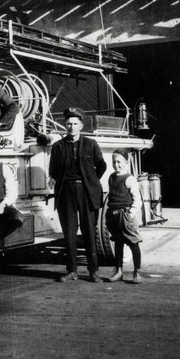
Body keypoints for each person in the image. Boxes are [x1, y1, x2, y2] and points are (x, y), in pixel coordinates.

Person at [49, 107, 107, 282]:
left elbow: (101, 165)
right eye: (68, 124)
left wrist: (91, 181)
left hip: (86, 192)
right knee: (70, 232)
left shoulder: (91, 144)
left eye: (75, 124)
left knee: (89, 231)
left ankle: (93, 271)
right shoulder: (58, 147)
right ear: (65, 125)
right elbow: (53, 171)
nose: (71, 127)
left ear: (81, 125)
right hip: (66, 192)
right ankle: (72, 270)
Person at [106, 148, 143, 284]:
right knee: (118, 243)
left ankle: (137, 273)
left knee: (133, 243)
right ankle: (118, 272)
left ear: (126, 162)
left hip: (125, 215)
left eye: (119, 162)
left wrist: (131, 213)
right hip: (113, 215)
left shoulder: (129, 179)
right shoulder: (111, 177)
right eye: (114, 162)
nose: (116, 165)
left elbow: (137, 199)